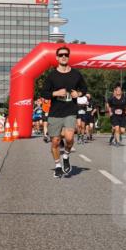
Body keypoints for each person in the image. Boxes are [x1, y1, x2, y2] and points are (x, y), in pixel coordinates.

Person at [41, 45, 87, 178]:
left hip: (70, 111)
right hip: (55, 112)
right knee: (55, 141)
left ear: (68, 56)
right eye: (61, 55)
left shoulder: (76, 74)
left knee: (69, 137)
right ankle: (57, 165)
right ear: (57, 58)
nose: (63, 57)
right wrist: (56, 93)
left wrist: (78, 94)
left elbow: (84, 89)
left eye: (66, 54)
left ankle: (66, 156)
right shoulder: (52, 75)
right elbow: (44, 93)